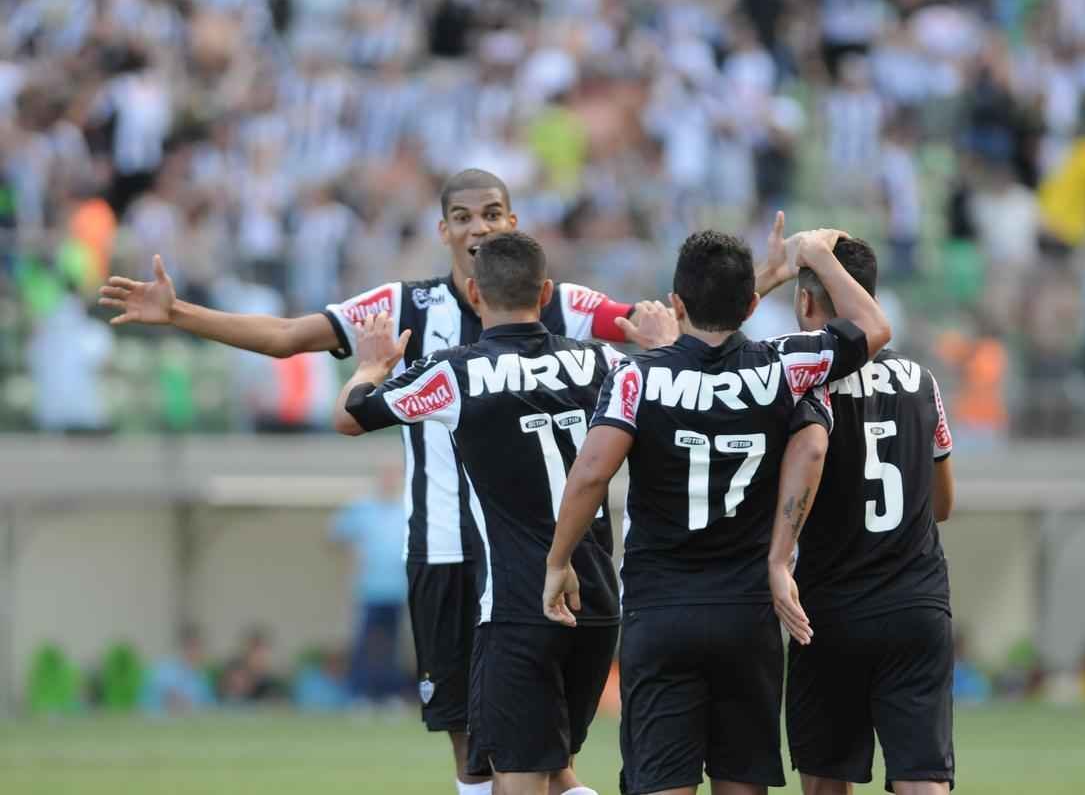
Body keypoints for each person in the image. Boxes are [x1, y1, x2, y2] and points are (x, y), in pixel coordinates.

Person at [98, 168, 681, 794]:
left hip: (531, 556)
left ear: (511, 222)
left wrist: (745, 289)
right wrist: (179, 312)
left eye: (491, 213)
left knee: (538, 759)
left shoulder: (557, 300)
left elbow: (677, 331)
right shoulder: (405, 305)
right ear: (443, 229)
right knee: (479, 747)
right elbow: (290, 337)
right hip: (449, 548)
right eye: (463, 216)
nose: (477, 226)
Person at [544, 228, 891, 795]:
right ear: (753, 307)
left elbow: (590, 474)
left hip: (660, 612)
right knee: (742, 782)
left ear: (677, 306)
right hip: (747, 611)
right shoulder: (783, 365)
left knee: (661, 782)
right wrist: (819, 257)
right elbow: (875, 327)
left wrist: (560, 559)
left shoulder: (638, 374)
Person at [336, 231, 638, 795]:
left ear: (474, 293)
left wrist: (371, 367)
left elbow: (352, 415)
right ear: (546, 292)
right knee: (559, 770)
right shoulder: (606, 362)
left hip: (518, 605)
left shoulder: (454, 373)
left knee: (515, 778)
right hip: (597, 600)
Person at [763, 237, 957, 795]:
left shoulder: (798, 376)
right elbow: (942, 504)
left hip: (829, 608)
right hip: (915, 604)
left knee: (826, 783)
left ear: (805, 305)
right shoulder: (923, 382)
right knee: (923, 780)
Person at [331, 463, 412, 704]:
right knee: (365, 643)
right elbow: (336, 534)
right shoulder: (362, 508)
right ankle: (359, 694)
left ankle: (389, 694)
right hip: (369, 589)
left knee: (393, 645)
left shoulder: (406, 507)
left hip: (398, 590)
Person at [139, 624, 215, 714]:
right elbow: (155, 700)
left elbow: (209, 707)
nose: (198, 652)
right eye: (193, 646)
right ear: (184, 647)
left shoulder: (201, 677)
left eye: (199, 646)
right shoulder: (163, 670)